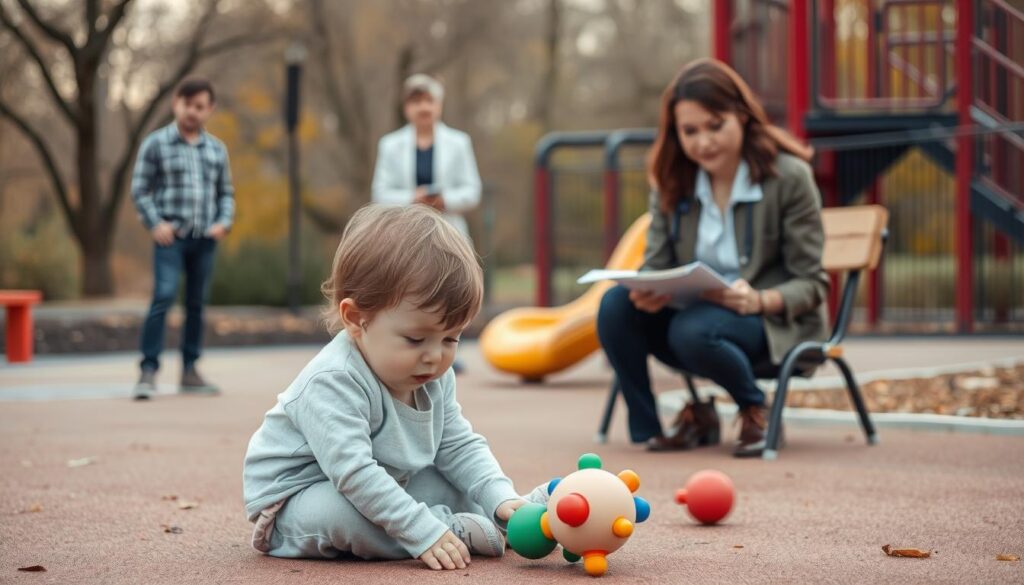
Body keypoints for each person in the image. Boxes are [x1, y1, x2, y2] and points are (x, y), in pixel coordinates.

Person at [243, 204, 545, 570]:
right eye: (416, 339)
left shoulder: (432, 373)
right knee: (345, 514)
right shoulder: (332, 380)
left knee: (448, 480)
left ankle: (517, 515)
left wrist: (498, 494)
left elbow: (457, 444)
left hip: (386, 479)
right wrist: (422, 530)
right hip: (297, 500)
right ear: (357, 319)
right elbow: (354, 475)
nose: (435, 357)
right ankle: (449, 528)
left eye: (451, 339)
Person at [596, 59, 829, 457]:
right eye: (690, 131)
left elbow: (812, 284)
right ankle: (653, 428)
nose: (703, 142)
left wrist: (758, 299)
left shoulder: (788, 177)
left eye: (714, 125)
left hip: (767, 323)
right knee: (615, 307)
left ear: (741, 115)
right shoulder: (673, 182)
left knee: (693, 328)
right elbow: (656, 264)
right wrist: (649, 290)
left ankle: (754, 406)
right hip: (691, 322)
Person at [130, 78, 234, 400]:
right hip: (170, 239)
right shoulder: (156, 144)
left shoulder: (216, 149)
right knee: (163, 297)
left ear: (209, 110)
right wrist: (155, 222)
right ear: (176, 103)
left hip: (204, 239)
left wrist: (224, 222)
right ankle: (148, 370)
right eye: (187, 104)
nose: (192, 111)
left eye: (200, 106)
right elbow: (140, 189)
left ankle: (190, 371)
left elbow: (226, 193)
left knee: (196, 304)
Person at [371, 74, 482, 240]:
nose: (424, 107)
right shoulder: (389, 145)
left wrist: (443, 200)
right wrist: (413, 199)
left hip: (450, 234)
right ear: (406, 107)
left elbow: (472, 192)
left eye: (430, 101)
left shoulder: (459, 142)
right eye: (416, 102)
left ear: (439, 105)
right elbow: (379, 194)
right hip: (403, 236)